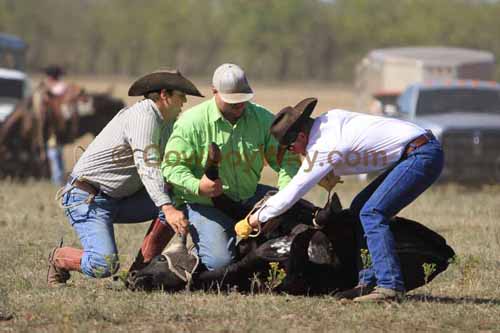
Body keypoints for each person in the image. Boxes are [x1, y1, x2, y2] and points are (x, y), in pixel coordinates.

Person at [240, 97, 444, 302]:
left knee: (371, 212)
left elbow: (293, 192)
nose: (294, 153)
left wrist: (255, 218)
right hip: (415, 150)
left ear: (301, 136)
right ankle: (368, 282)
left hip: (421, 155)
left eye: (291, 148)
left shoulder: (324, 145)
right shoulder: (328, 120)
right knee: (359, 208)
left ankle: (390, 286)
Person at [47, 69, 204, 287]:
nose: (185, 100)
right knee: (104, 264)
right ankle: (58, 258)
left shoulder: (166, 123)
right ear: (164, 95)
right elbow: (148, 167)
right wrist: (167, 208)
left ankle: (138, 274)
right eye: (181, 95)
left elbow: (172, 165)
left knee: (178, 198)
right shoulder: (144, 117)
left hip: (120, 198)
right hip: (88, 198)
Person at [161, 63, 300, 271]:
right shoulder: (191, 122)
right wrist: (198, 185)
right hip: (205, 204)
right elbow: (171, 167)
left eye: (243, 100)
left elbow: (287, 160)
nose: (239, 106)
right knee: (219, 263)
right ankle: (195, 250)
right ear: (214, 92)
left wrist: (282, 199)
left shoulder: (262, 119)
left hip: (250, 196)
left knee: (300, 213)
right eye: (232, 101)